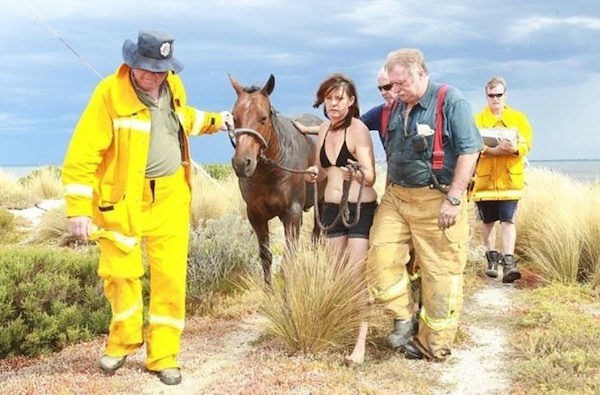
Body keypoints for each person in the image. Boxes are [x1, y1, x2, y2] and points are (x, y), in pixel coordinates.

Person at [62, 29, 233, 385]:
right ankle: (123, 341)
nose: (156, 76)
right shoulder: (109, 93)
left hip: (171, 194)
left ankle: (164, 356)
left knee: (170, 278)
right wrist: (77, 207)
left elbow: (182, 120)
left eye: (163, 69)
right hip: (121, 199)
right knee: (120, 274)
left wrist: (218, 121)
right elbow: (83, 152)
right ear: (132, 64)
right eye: (149, 69)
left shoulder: (174, 87)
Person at [367, 49, 483, 361]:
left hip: (437, 199)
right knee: (380, 256)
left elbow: (470, 151)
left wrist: (454, 199)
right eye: (390, 85)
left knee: (440, 272)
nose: (394, 90)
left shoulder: (450, 101)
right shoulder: (393, 108)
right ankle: (404, 317)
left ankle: (432, 345)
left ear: (421, 73)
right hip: (396, 197)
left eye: (400, 83)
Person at [305, 73, 378, 366]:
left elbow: (371, 176)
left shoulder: (358, 130)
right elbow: (324, 171)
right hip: (331, 209)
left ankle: (360, 344)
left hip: (360, 208)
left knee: (355, 275)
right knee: (336, 273)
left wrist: (358, 173)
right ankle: (347, 328)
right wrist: (315, 173)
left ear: (350, 101)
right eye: (329, 98)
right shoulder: (323, 130)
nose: (333, 104)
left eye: (339, 98)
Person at [471, 77, 533, 283]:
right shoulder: (477, 120)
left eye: (499, 94)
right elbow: (471, 145)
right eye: (491, 95)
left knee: (508, 221)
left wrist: (514, 148)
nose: (495, 99)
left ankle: (508, 263)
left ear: (505, 95)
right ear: (486, 96)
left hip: (509, 182)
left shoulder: (518, 118)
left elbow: (526, 143)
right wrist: (493, 150)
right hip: (485, 182)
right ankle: (491, 259)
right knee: (488, 222)